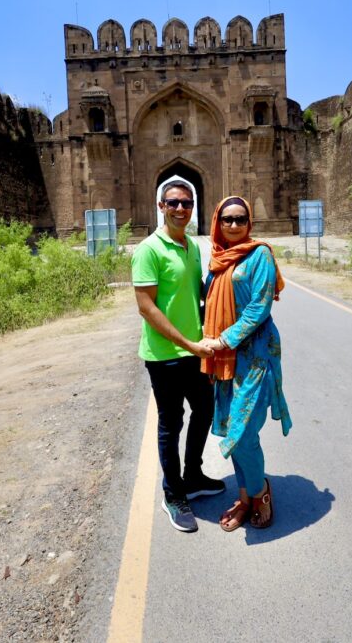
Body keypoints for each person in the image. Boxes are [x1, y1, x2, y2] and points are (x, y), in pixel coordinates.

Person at [132, 181, 226, 533]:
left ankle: (193, 475)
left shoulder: (189, 246)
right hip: (166, 355)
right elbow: (147, 308)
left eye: (186, 202)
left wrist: (231, 283)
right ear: (161, 205)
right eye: (173, 202)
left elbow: (196, 293)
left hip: (195, 350)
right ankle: (173, 494)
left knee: (204, 410)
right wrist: (190, 344)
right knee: (171, 424)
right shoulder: (149, 250)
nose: (180, 208)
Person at [200, 196, 291, 531]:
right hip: (224, 361)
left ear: (249, 223)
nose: (234, 225)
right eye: (227, 219)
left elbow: (259, 307)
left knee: (242, 432)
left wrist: (223, 340)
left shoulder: (260, 255)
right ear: (217, 222)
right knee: (232, 429)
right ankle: (245, 497)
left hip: (254, 356)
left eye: (240, 219)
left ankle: (261, 491)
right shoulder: (217, 260)